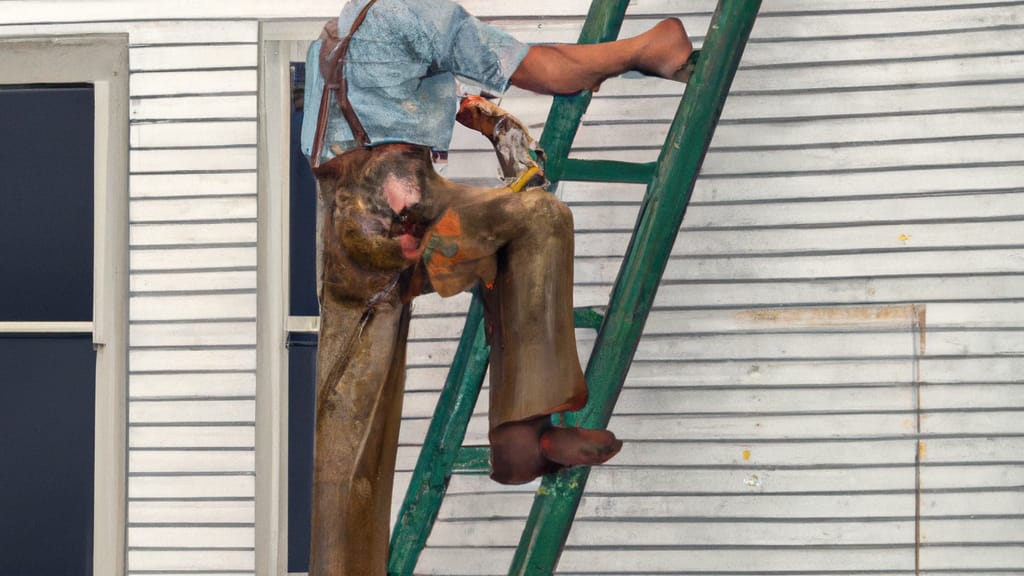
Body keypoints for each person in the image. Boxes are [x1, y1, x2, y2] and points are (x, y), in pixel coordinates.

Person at [299, 1, 693, 573]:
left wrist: (469, 110)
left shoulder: (334, 36)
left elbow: (370, 109)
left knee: (347, 425)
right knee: (537, 218)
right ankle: (521, 433)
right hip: (401, 204)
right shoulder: (414, 11)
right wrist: (640, 51)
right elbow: (548, 69)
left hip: (343, 228)